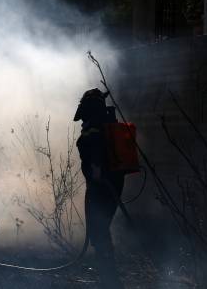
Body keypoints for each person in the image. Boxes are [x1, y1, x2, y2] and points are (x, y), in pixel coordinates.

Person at [74, 88, 125, 288]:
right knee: (101, 229)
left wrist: (95, 170)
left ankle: (109, 281)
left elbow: (93, 147)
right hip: (112, 181)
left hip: (101, 183)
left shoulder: (93, 125)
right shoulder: (105, 122)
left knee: (98, 230)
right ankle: (108, 278)